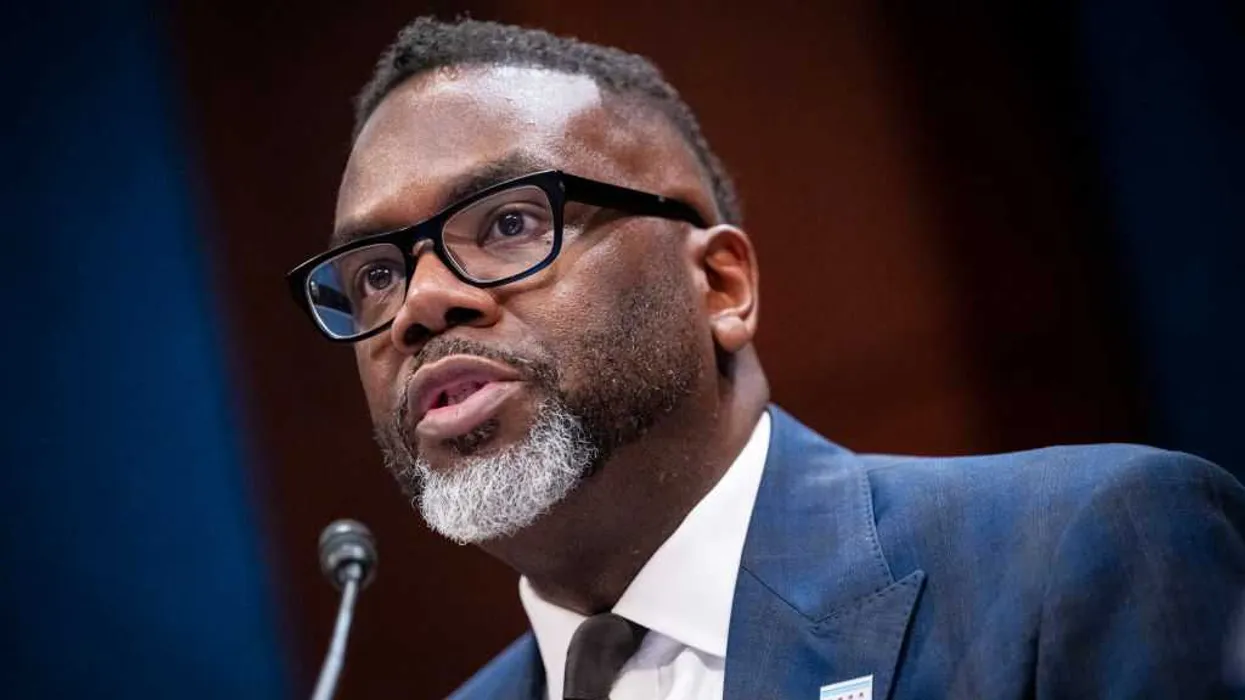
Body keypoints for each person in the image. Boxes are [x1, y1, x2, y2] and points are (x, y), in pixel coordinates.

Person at [285, 16, 1245, 700]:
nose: (420, 304)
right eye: (374, 276)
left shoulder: (1078, 553)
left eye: (508, 223)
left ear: (721, 287)